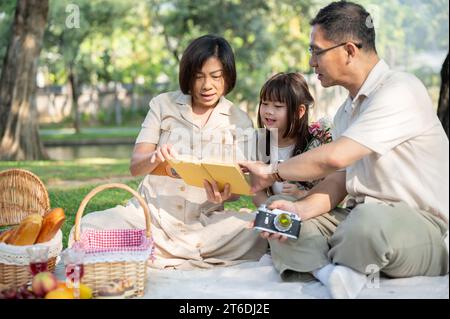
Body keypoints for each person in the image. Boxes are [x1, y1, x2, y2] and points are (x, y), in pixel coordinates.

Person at [239, 1, 449, 299]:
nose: (311, 62)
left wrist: (271, 172)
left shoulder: (400, 89)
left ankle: (328, 262)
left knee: (366, 224)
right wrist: (298, 209)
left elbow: (336, 156)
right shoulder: (344, 113)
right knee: (283, 216)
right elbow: (338, 179)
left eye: (316, 50)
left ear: (349, 50)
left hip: (419, 226)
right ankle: (334, 275)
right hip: (355, 217)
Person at [70, 35, 267, 269]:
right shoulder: (162, 104)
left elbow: (237, 190)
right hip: (149, 219)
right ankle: (157, 247)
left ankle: (149, 251)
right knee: (87, 228)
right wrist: (154, 158)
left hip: (204, 226)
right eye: (198, 77)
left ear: (228, 76)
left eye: (216, 76)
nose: (207, 85)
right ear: (187, 76)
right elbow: (135, 167)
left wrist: (225, 195)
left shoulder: (239, 120)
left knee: (262, 229)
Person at [204, 72, 332, 207]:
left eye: (278, 106)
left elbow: (333, 191)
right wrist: (272, 212)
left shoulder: (317, 143)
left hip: (310, 212)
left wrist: (302, 195)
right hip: (273, 212)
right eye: (265, 103)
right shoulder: (259, 142)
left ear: (299, 111)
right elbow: (257, 192)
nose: (268, 111)